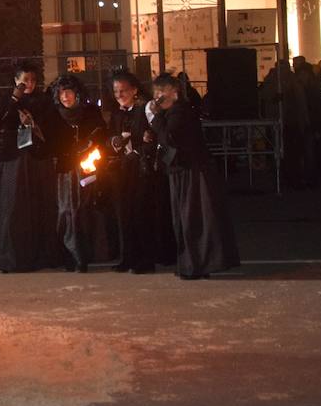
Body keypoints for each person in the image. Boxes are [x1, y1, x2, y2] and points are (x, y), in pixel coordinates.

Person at [148, 74, 242, 279]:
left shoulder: (180, 112)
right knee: (184, 219)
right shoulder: (173, 112)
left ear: (174, 92)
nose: (157, 97)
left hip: (192, 173)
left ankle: (196, 264)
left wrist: (154, 120)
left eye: (160, 92)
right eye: (155, 92)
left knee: (193, 219)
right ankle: (191, 263)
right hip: (184, 171)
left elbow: (170, 137)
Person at [0, 62, 61, 273]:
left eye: (32, 80)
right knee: (14, 207)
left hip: (38, 158)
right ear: (16, 81)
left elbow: (52, 128)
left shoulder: (44, 101)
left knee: (40, 204)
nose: (29, 84)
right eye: (24, 80)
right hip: (15, 157)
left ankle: (42, 254)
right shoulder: (9, 100)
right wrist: (14, 100)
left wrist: (33, 124)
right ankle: (13, 257)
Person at [50, 74, 110, 273]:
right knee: (66, 210)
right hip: (65, 171)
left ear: (77, 93)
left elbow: (102, 132)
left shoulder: (90, 112)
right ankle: (70, 254)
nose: (65, 96)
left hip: (86, 168)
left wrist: (91, 143)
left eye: (68, 92)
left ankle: (86, 253)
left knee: (84, 209)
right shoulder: (55, 115)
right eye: (61, 93)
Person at [106, 72, 158, 273]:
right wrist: (114, 142)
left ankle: (145, 259)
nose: (119, 94)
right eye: (116, 91)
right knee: (123, 213)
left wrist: (137, 149)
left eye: (123, 90)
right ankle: (127, 256)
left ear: (134, 90)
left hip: (140, 167)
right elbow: (109, 136)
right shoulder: (117, 114)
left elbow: (151, 137)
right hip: (121, 168)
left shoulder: (143, 110)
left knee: (141, 212)